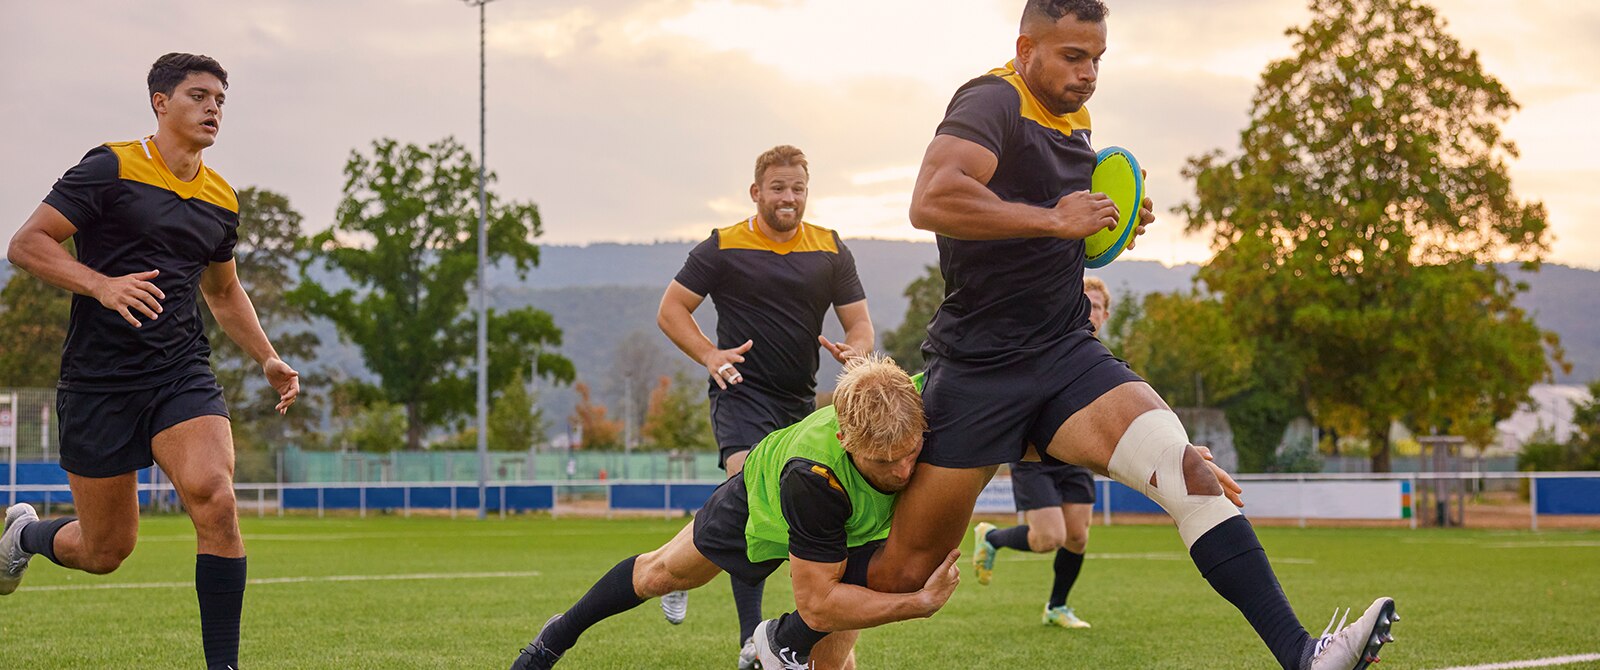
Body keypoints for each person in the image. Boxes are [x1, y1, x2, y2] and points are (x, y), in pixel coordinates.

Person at [830, 3, 1394, 669]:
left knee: (1188, 470)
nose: (1089, 72)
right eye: (1073, 56)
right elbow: (932, 199)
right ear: (1026, 48)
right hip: (979, 368)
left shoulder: (1076, 118)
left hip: (1067, 352)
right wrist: (1053, 219)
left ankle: (1304, 654)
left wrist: (1113, 221)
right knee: (905, 573)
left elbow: (1073, 229)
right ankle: (786, 642)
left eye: (1097, 57)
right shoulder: (990, 101)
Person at [1, 53, 301, 670]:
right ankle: (26, 535)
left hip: (180, 373)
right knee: (106, 550)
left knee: (215, 499)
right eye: (198, 95)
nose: (213, 107)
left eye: (220, 98)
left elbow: (221, 291)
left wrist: (268, 357)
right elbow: (27, 244)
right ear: (160, 102)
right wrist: (100, 285)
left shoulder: (221, 197)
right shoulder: (109, 166)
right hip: (98, 382)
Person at [509, 356, 956, 670]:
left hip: (847, 521)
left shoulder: (926, 398)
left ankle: (779, 648)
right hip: (760, 501)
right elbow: (818, 605)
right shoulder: (813, 475)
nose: (902, 472)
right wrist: (915, 605)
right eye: (883, 462)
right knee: (659, 575)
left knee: (832, 660)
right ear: (844, 439)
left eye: (911, 453)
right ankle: (556, 637)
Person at [655, 144, 875, 665]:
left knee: (770, 508)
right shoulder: (723, 246)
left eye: (798, 188)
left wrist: (855, 351)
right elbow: (671, 309)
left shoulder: (829, 248)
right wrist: (709, 354)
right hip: (741, 392)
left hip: (801, 403)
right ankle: (749, 642)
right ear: (756, 192)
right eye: (778, 187)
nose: (789, 197)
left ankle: (675, 561)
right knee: (754, 491)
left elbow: (860, 325)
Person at [972, 275, 1114, 629]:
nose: (1088, 311)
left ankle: (1057, 606)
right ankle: (991, 536)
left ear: (1105, 315)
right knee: (1050, 538)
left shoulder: (1102, 361)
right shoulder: (1047, 342)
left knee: (1078, 537)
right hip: (1033, 455)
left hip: (1076, 457)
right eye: (1082, 302)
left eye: (1095, 306)